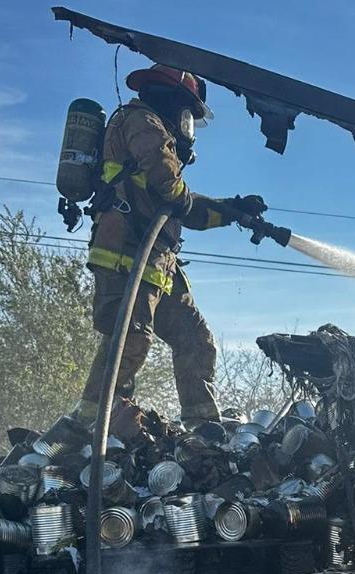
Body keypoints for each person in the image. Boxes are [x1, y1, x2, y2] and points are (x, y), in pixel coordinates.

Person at [74, 65, 265, 430]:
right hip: (125, 255)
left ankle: (202, 426)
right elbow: (171, 189)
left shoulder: (152, 132)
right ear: (172, 102)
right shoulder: (141, 121)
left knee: (195, 339)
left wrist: (233, 210)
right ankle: (88, 427)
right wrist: (187, 190)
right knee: (129, 341)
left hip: (157, 263)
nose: (188, 129)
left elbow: (186, 210)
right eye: (188, 117)